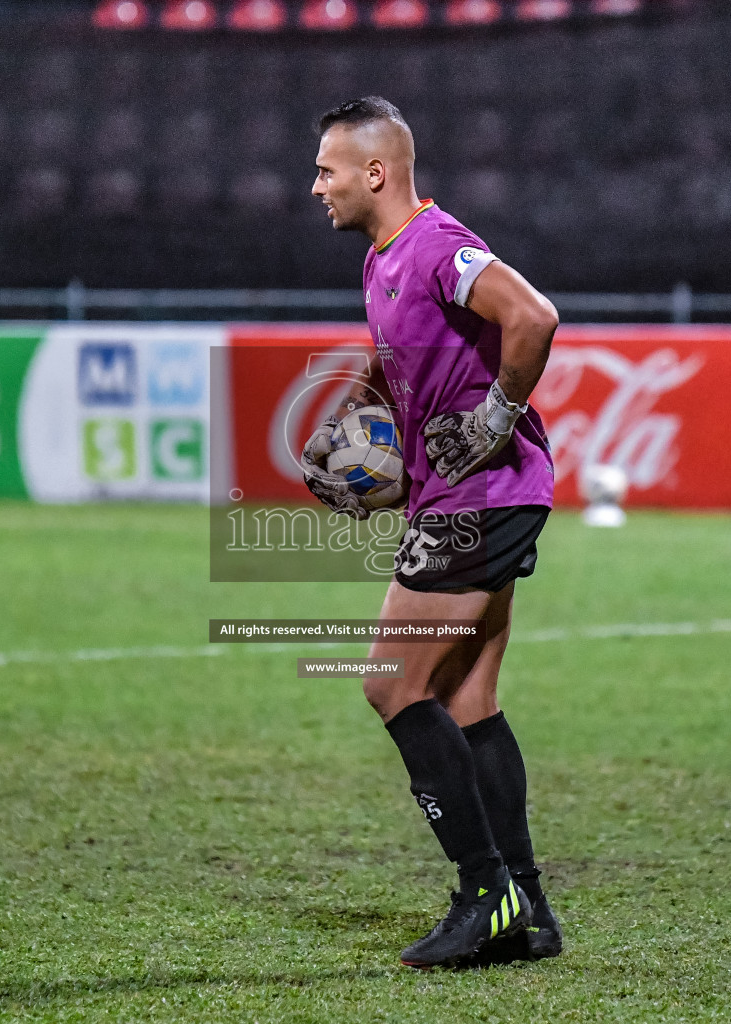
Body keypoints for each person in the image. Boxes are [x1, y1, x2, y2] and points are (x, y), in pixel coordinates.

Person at [301, 95, 562, 969]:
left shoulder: (436, 246)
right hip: (478, 495)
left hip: (477, 496)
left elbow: (534, 316)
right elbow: (395, 361)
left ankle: (486, 891)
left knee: (389, 683)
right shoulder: (382, 262)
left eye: (328, 170)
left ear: (376, 173)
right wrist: (355, 433)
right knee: (466, 700)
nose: (317, 187)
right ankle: (525, 907)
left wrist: (496, 412)